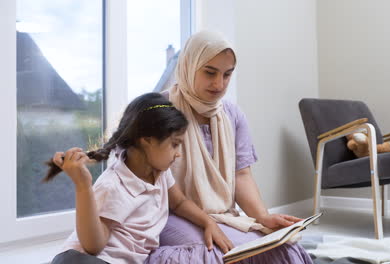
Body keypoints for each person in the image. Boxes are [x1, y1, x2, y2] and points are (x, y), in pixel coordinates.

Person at [146, 31, 313, 263]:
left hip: (220, 213)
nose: (219, 84)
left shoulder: (232, 114)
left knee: (280, 250)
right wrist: (207, 222)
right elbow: (164, 190)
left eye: (227, 74)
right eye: (210, 72)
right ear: (189, 65)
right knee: (209, 254)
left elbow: (242, 175)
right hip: (168, 213)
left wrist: (263, 217)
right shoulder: (159, 111)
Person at [46, 93, 234, 264]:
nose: (178, 154)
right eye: (175, 144)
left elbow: (179, 203)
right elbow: (93, 246)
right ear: (147, 139)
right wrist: (83, 186)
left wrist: (208, 222)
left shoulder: (160, 172)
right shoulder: (114, 185)